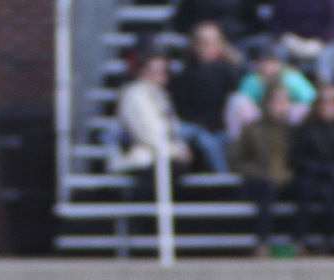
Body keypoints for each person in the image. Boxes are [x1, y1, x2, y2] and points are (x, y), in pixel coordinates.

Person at [291, 84, 334, 250]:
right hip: (310, 175)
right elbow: (296, 158)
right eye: (323, 103)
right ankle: (300, 239)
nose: (327, 107)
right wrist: (321, 169)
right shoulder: (306, 128)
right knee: (305, 191)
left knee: (332, 193)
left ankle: (331, 240)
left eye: (332, 103)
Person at [109, 53, 193, 182]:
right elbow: (148, 134)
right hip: (139, 160)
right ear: (142, 71)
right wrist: (176, 151)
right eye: (154, 71)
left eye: (163, 71)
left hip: (159, 157)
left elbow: (173, 130)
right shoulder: (134, 94)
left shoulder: (161, 95)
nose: (160, 76)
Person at [235, 83, 298, 254]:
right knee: (267, 188)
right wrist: (262, 174)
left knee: (304, 187)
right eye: (277, 101)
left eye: (284, 101)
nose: (281, 105)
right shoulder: (252, 129)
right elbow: (237, 161)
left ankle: (299, 242)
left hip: (284, 180)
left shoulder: (293, 131)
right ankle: (262, 242)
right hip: (258, 181)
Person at [173, 23, 243, 173]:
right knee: (206, 141)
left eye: (212, 42)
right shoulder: (184, 75)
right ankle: (224, 180)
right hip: (195, 128)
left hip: (222, 128)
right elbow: (182, 109)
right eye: (202, 42)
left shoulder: (232, 73)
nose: (207, 47)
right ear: (194, 45)